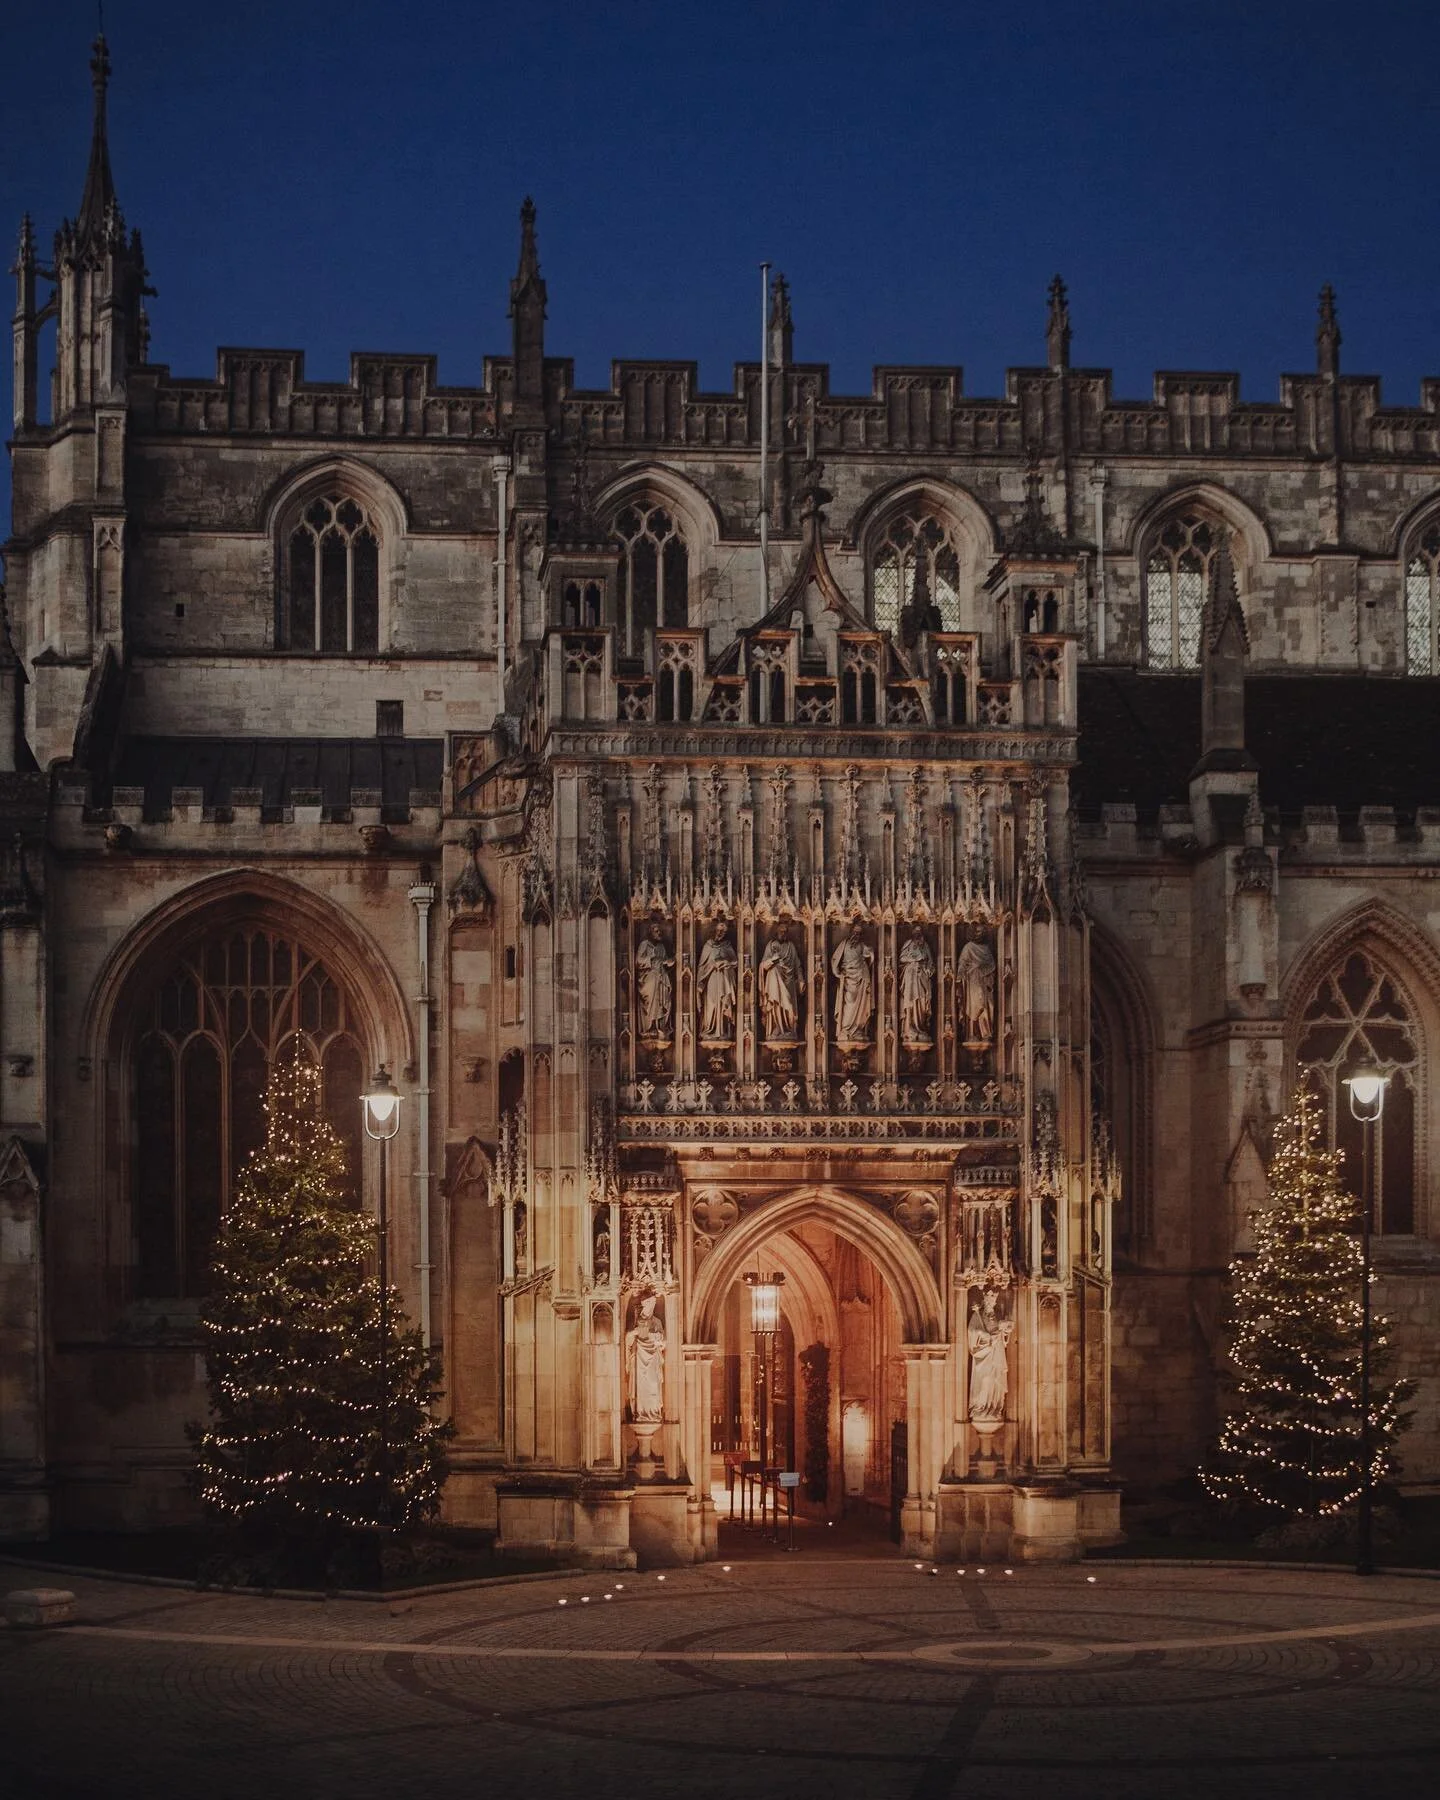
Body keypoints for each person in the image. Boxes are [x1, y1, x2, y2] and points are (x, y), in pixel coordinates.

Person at [968, 1290, 1012, 1422]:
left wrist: (1005, 1332)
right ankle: (981, 1407)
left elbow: (1004, 1342)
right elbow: (972, 1331)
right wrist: (983, 1335)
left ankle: (994, 1407)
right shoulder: (977, 1316)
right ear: (984, 1303)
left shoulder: (995, 1318)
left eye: (992, 1303)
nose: (990, 1305)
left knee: (994, 1382)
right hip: (984, 1355)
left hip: (996, 1355)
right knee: (984, 1381)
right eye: (988, 1303)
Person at [759, 924, 805, 1042]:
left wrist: (800, 979)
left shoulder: (791, 947)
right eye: (781, 931)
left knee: (789, 1006)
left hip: (788, 981)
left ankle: (789, 1029)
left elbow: (797, 965)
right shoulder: (770, 946)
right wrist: (772, 960)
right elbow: (763, 965)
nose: (783, 934)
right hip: (774, 980)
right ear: (776, 932)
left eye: (785, 932)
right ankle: (777, 1027)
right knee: (775, 1003)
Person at [831, 922, 875, 1045]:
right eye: (855, 932)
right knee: (849, 1002)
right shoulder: (844, 944)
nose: (856, 935)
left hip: (861, 977)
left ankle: (858, 1029)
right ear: (851, 932)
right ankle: (846, 1029)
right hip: (848, 978)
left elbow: (869, 955)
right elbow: (835, 959)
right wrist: (837, 973)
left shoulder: (861, 945)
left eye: (859, 933)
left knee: (861, 1004)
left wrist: (870, 955)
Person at [625, 1293, 666, 1423]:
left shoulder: (656, 1322)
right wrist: (634, 1332)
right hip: (639, 1358)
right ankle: (639, 1412)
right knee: (640, 1387)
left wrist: (656, 1337)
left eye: (652, 1304)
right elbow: (627, 1340)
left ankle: (653, 1412)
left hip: (653, 1357)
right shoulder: (636, 1320)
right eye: (648, 1304)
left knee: (653, 1384)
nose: (650, 1307)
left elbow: (663, 1343)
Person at [697, 921, 738, 1042]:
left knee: (724, 1003)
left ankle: (724, 1030)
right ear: (715, 930)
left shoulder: (727, 946)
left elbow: (735, 962)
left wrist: (726, 962)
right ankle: (710, 1029)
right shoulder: (708, 946)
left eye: (723, 931)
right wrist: (711, 965)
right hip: (711, 980)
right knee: (712, 1005)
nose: (721, 933)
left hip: (725, 980)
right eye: (719, 930)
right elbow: (701, 967)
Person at [635, 922, 674, 1040]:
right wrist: (651, 958)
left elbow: (664, 960)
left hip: (661, 976)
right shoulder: (644, 944)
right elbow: (638, 961)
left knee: (664, 1000)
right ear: (650, 933)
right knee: (651, 999)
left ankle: (660, 1026)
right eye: (656, 931)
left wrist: (669, 961)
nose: (659, 933)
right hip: (650, 977)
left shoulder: (661, 947)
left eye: (660, 931)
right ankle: (650, 1027)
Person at [957, 937, 997, 1045]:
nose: (979, 934)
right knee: (972, 1007)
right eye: (978, 932)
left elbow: (992, 966)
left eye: (982, 932)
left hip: (983, 983)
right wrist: (961, 975)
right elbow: (962, 964)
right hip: (971, 983)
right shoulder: (968, 947)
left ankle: (985, 1033)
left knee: (985, 1007)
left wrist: (980, 968)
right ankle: (971, 1033)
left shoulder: (986, 950)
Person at [899, 927, 934, 1045]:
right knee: (910, 1002)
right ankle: (909, 1028)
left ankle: (921, 1028)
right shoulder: (908, 944)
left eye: (919, 933)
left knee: (922, 1002)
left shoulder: (925, 946)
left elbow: (930, 962)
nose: (918, 935)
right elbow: (902, 958)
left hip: (922, 977)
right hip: (910, 976)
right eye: (916, 933)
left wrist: (927, 969)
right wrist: (914, 959)